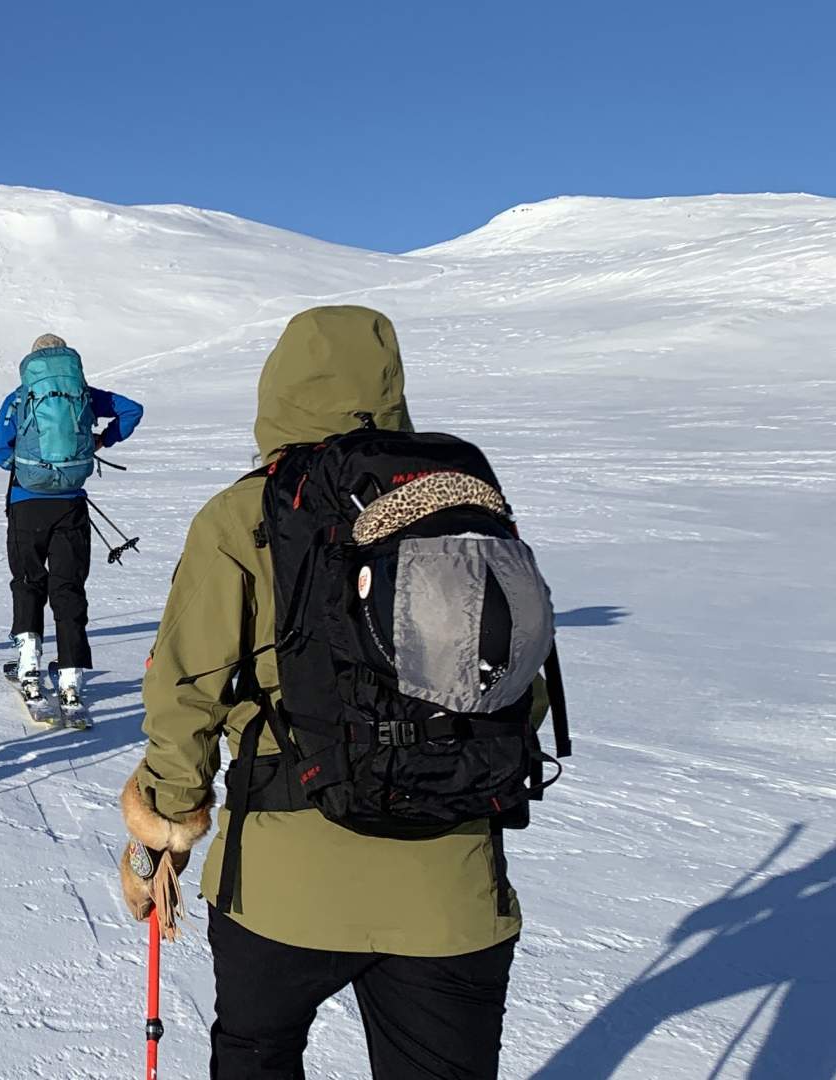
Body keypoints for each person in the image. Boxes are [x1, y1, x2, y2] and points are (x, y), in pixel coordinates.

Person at [118, 306, 534, 1079]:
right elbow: (520, 683)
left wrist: (163, 828)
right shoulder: (457, 506)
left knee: (256, 1055)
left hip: (279, 887)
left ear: (277, 391)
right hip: (451, 885)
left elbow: (187, 692)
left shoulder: (245, 513)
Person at [0, 333, 141, 706]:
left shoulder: (20, 398)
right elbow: (132, 409)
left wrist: (27, 470)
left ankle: (28, 669)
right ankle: (71, 677)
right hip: (71, 506)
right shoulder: (84, 394)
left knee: (28, 582)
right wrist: (101, 441)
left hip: (26, 504)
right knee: (68, 588)